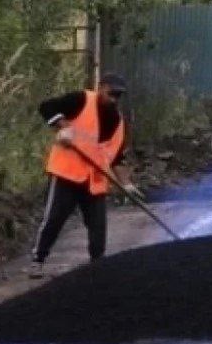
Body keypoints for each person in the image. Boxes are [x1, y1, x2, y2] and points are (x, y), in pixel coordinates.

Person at [28, 72, 136, 278]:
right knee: (54, 219)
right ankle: (38, 260)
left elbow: (117, 157)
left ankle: (98, 265)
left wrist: (126, 184)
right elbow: (46, 107)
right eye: (111, 93)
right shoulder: (81, 100)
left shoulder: (118, 123)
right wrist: (63, 127)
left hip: (94, 180)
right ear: (101, 87)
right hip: (66, 174)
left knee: (98, 226)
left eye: (118, 96)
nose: (114, 99)